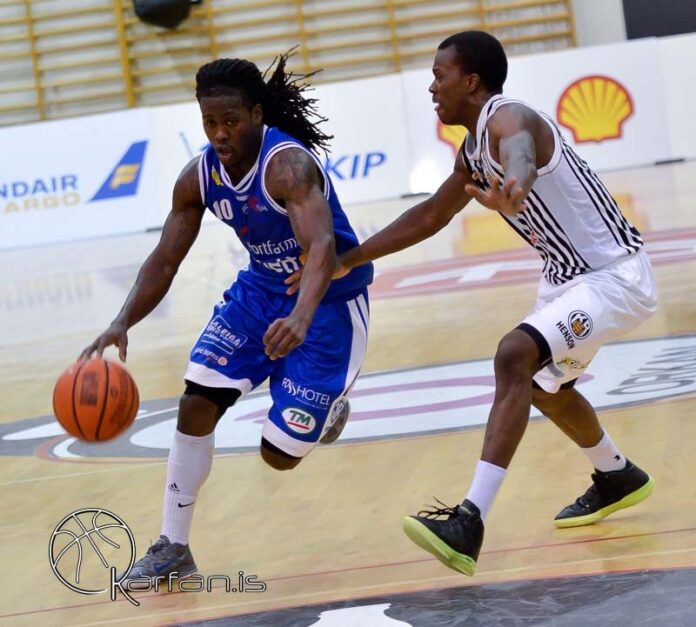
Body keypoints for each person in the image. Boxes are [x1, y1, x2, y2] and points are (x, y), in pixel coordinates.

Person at [287, 31, 657, 577]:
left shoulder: (509, 118)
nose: (432, 87)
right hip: (567, 281)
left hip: (613, 276)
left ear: (471, 81)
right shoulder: (471, 151)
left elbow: (521, 153)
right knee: (543, 387)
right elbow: (431, 215)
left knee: (514, 355)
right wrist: (350, 258)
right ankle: (616, 473)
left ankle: (470, 520)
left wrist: (517, 183)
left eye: (440, 76)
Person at [80, 53, 373, 580]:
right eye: (209, 122)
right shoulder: (198, 177)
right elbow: (165, 259)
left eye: (231, 120)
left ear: (257, 114)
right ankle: (173, 546)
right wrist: (122, 320)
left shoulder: (288, 166)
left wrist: (301, 318)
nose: (219, 133)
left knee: (278, 456)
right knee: (195, 402)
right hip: (259, 293)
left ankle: (328, 408)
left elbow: (322, 247)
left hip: (327, 302)